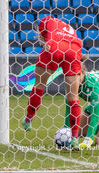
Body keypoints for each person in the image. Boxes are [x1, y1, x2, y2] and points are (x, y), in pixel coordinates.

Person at [22, 16, 83, 149]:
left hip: (55, 45)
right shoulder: (70, 28)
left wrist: (48, 43)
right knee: (73, 97)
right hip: (74, 49)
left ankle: (28, 119)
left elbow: (48, 35)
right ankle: (75, 138)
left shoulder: (47, 20)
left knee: (39, 86)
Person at [64, 61, 99, 149]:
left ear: (83, 73)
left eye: (76, 75)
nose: (73, 78)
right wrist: (66, 133)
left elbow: (95, 115)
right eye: (70, 75)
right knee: (77, 132)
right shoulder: (70, 82)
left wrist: (88, 140)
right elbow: (69, 109)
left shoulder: (95, 86)